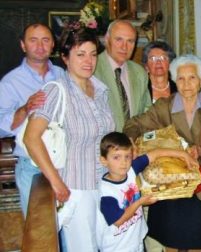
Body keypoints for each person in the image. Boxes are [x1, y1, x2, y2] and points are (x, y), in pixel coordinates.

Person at [23, 25, 115, 251]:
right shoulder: (56, 90)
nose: (88, 61)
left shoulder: (101, 91)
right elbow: (31, 138)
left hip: (104, 184)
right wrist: (56, 182)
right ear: (65, 57)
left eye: (93, 54)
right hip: (76, 187)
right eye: (80, 54)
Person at [124, 54, 201, 251]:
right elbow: (134, 124)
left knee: (199, 244)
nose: (186, 84)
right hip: (169, 186)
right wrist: (130, 141)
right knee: (170, 245)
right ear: (174, 80)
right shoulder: (163, 107)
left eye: (192, 77)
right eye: (181, 78)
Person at [0, 23, 65, 217]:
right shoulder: (10, 82)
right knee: (40, 230)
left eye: (45, 40)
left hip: (64, 162)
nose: (40, 46)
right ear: (23, 45)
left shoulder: (63, 75)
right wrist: (25, 109)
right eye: (33, 40)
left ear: (53, 44)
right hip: (32, 166)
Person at [97, 131, 198, 252]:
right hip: (116, 247)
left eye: (127, 156)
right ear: (104, 160)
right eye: (116, 157)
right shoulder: (106, 191)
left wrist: (183, 154)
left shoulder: (131, 170)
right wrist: (140, 202)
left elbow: (155, 153)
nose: (123, 162)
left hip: (136, 241)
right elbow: (118, 220)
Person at [141, 40, 177, 252]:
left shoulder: (180, 89)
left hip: (174, 162)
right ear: (146, 65)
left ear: (169, 63)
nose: (158, 63)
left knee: (171, 212)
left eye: (162, 58)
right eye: (152, 59)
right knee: (150, 210)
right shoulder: (139, 90)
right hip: (148, 160)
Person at [94, 19, 151, 132]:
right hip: (102, 145)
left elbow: (146, 112)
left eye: (130, 41)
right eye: (119, 39)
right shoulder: (93, 68)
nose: (124, 47)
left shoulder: (140, 73)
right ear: (107, 39)